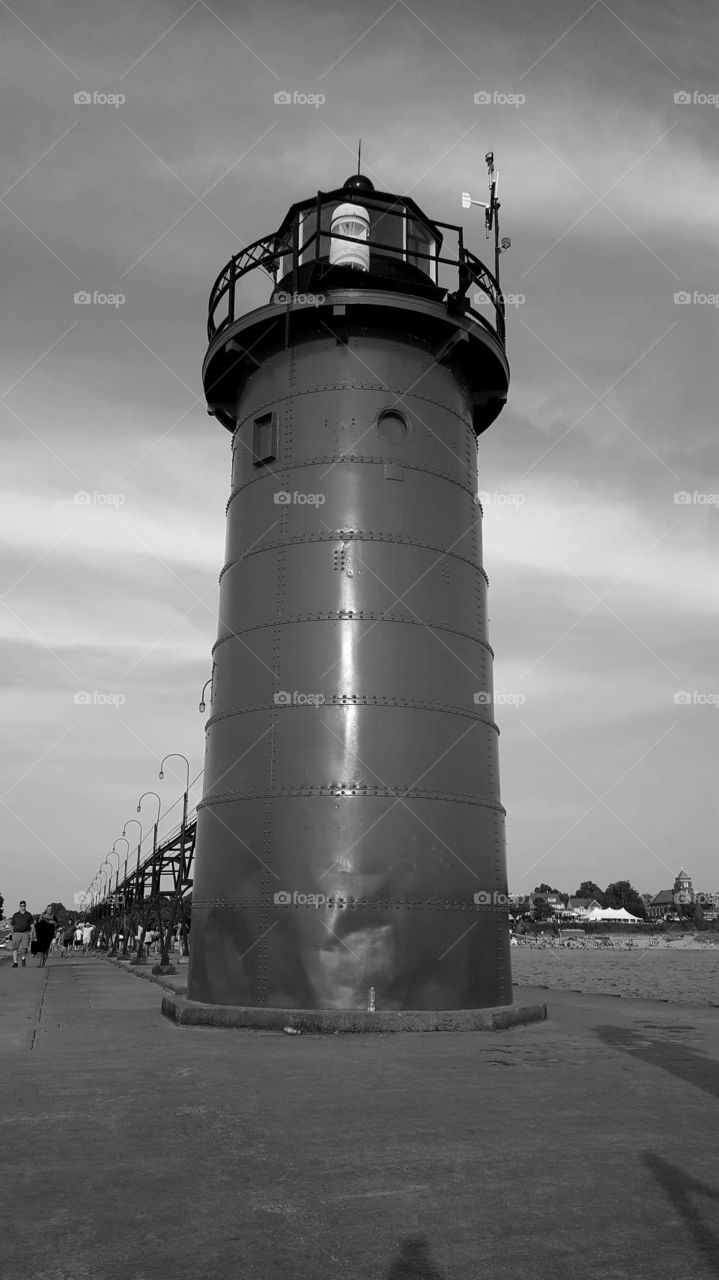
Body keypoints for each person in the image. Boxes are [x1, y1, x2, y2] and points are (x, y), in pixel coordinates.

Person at [11, 899, 33, 967]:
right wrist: (12, 934)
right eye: (21, 906)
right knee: (15, 948)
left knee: (25, 948)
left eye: (23, 905)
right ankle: (15, 962)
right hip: (16, 933)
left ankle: (23, 958)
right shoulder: (15, 915)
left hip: (25, 933)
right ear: (19, 906)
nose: (22, 907)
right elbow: (12, 925)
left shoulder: (28, 915)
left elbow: (32, 925)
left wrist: (32, 933)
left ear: (25, 906)